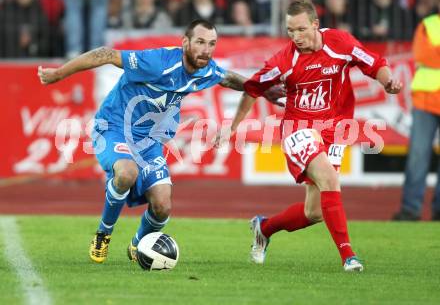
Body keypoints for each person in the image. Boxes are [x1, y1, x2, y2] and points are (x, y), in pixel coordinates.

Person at [37, 19, 285, 263]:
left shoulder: (204, 70)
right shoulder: (158, 62)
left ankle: (138, 246)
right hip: (113, 127)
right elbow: (106, 54)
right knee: (126, 173)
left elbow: (229, 78)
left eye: (211, 43)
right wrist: (59, 74)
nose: (206, 49)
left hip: (148, 141)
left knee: (163, 205)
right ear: (185, 42)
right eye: (200, 42)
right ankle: (103, 233)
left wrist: (264, 90)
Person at [215, 0, 402, 272]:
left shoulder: (340, 44)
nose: (296, 37)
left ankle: (264, 228)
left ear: (315, 24)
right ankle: (349, 256)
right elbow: (252, 88)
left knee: (314, 213)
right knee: (330, 178)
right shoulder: (284, 61)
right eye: (290, 31)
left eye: (301, 30)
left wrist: (388, 82)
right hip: (298, 129)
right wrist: (232, 127)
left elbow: (375, 64)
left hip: (334, 130)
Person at [393, 2, 440, 221]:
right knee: (418, 156)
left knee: (418, 156)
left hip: (426, 96)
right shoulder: (428, 24)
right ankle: (411, 209)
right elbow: (424, 56)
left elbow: (433, 56)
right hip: (425, 100)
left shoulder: (429, 28)